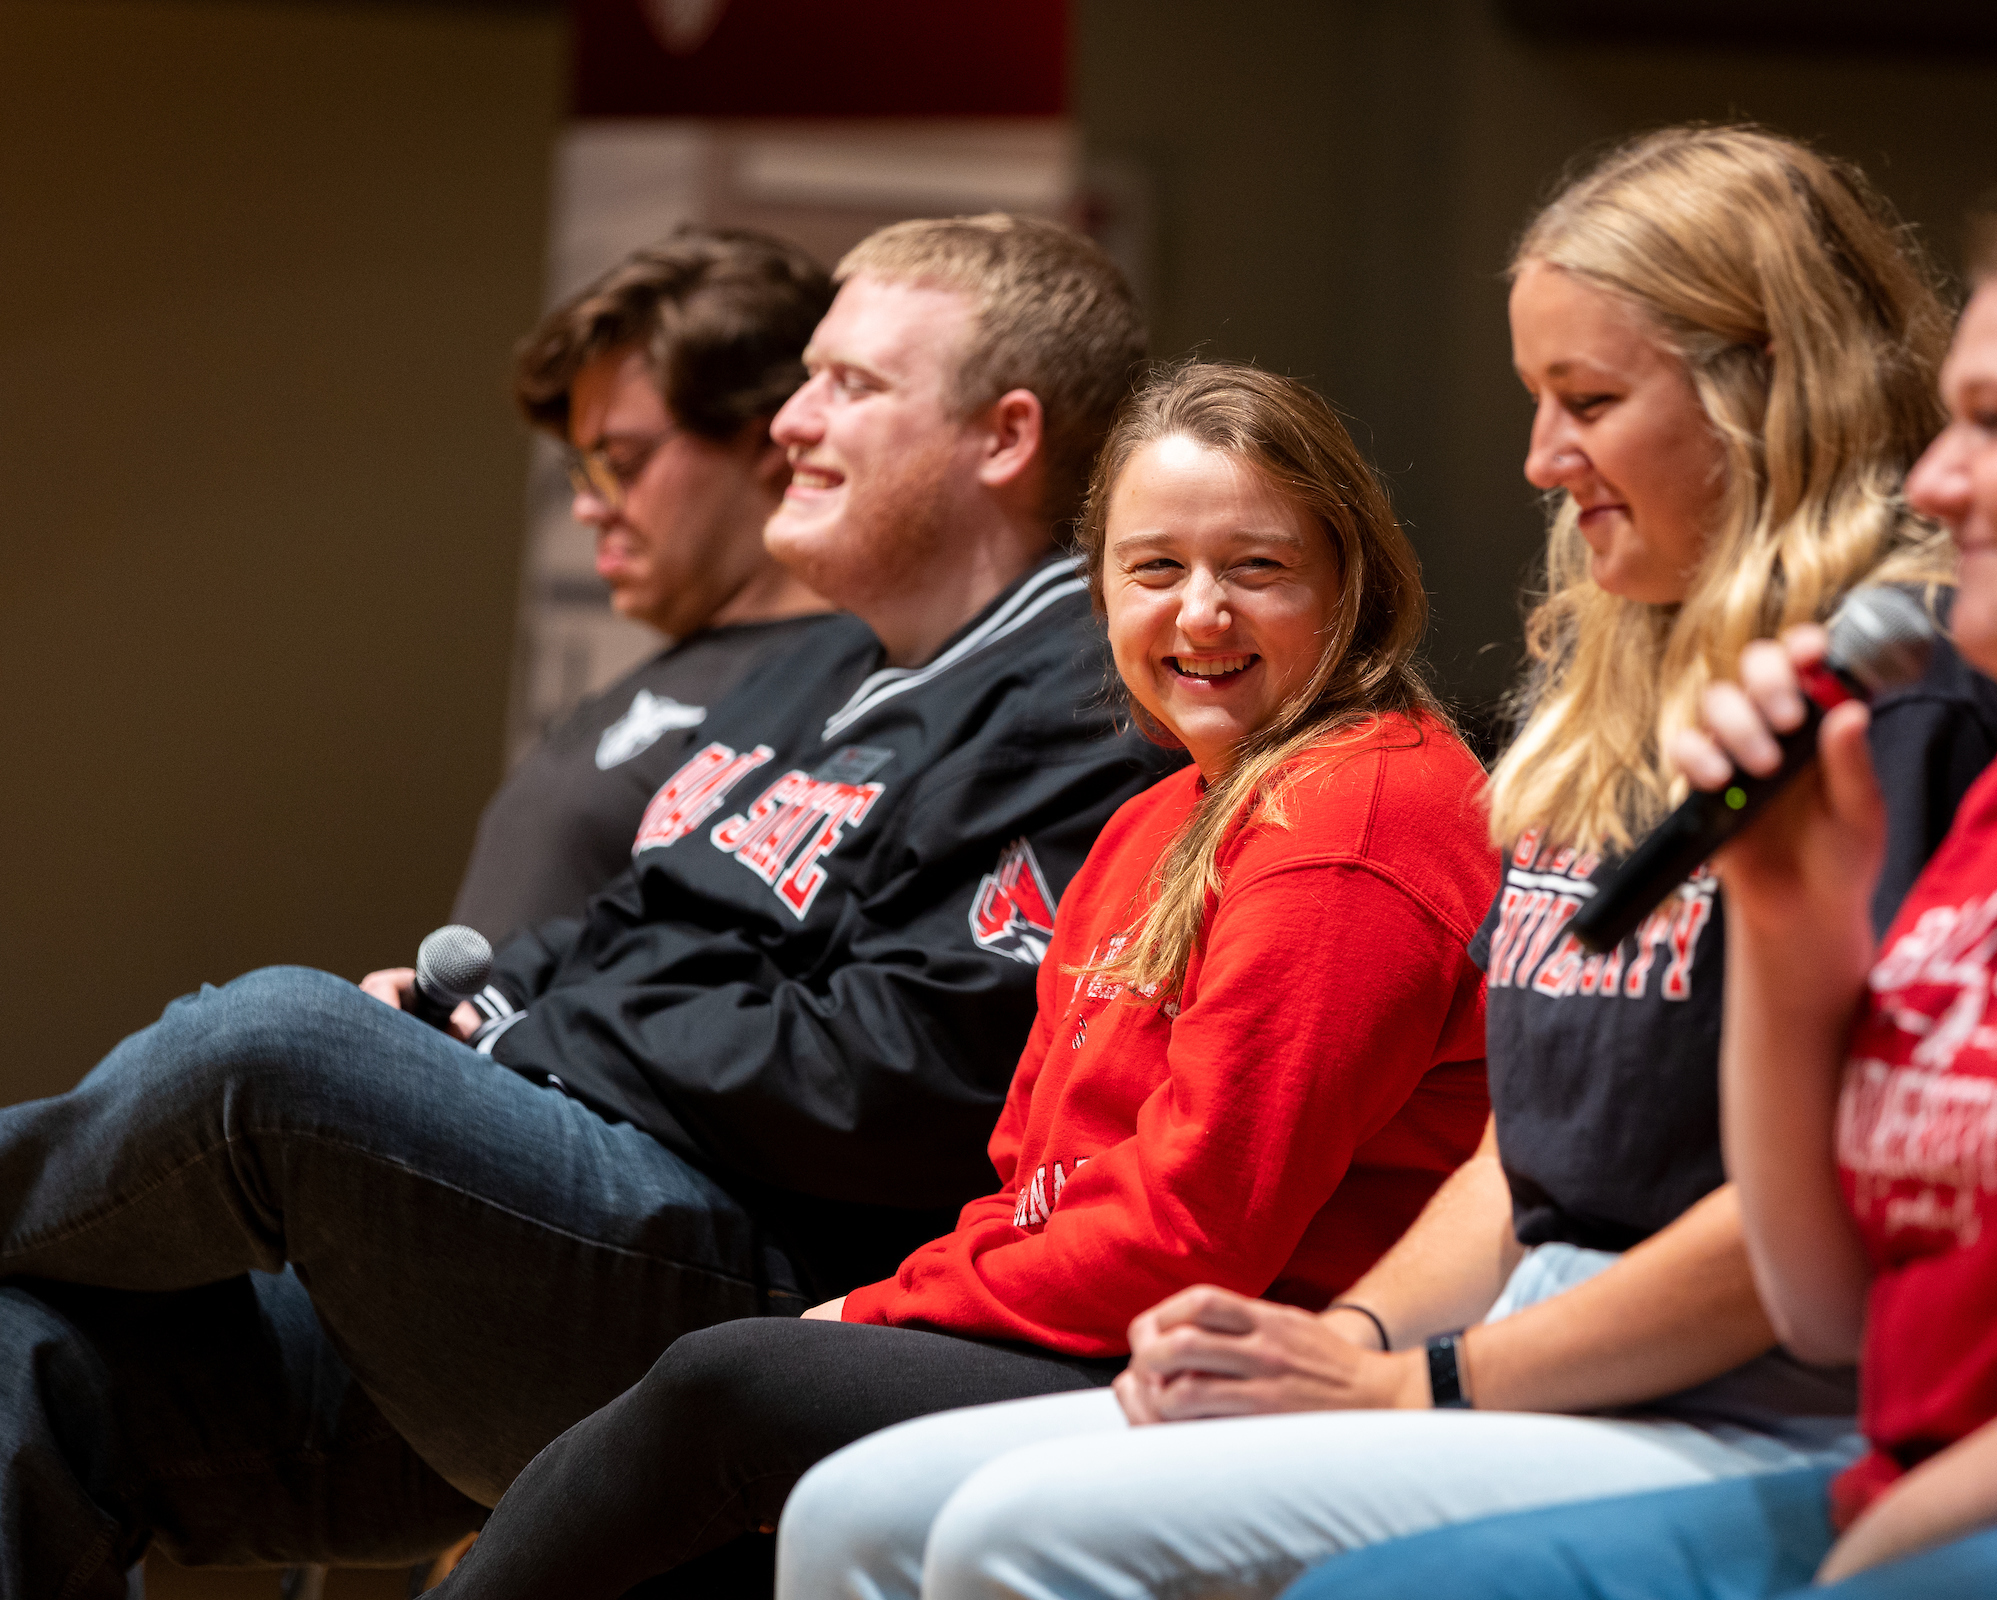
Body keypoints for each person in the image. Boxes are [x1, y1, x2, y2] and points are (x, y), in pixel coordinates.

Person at [776, 127, 1997, 1600]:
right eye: (1538, 398)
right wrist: (1354, 1342)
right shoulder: (1611, 699)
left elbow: (1819, 1221)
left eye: (1588, 401)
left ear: (1764, 390)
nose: (1541, 458)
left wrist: (1414, 1382)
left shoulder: (1908, 710)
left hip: (1748, 1392)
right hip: (1524, 1334)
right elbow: (1523, 1156)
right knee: (854, 1510)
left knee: (1015, 1530)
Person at [1275, 66, 1997, 1600]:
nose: (1934, 477)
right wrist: (1795, 949)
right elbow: (1834, 1305)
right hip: (1915, 1483)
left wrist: (1880, 1548)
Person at [0, 213, 1175, 1594]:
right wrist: (472, 1002)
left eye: (850, 385)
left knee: (276, 1050)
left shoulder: (1091, 703)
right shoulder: (810, 669)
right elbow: (626, 922)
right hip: (555, 1236)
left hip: (759, 1283)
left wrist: (530, 1039)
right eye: (805, 378)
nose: (792, 422)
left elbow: (901, 1068)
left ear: (1004, 436)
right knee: (29, 1353)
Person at [424, 359, 1501, 1598]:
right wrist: (894, 1301)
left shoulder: (1357, 812)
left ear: (1351, 585)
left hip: (1252, 1363)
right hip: (1115, 1332)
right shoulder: (1149, 821)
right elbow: (1027, 1182)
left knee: (731, 1386)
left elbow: (1196, 1231)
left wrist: (877, 1315)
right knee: (743, 1444)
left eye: (1257, 568)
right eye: (1155, 569)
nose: (1201, 613)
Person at [454, 227, 851, 945]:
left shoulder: (854, 688)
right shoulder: (673, 671)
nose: (588, 506)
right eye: (583, 470)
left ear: (771, 439)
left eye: (622, 463)